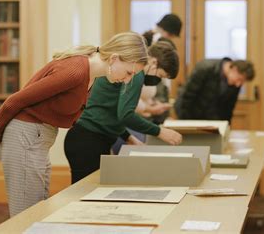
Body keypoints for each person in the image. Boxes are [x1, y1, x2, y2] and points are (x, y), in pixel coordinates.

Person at [0, 32, 149, 217]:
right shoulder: (76, 71)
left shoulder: (90, 74)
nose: (128, 80)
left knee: (37, 212)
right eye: (129, 73)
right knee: (25, 215)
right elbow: (15, 101)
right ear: (114, 58)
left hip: (38, 138)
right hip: (25, 136)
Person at [64, 41, 182, 184]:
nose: (159, 80)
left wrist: (129, 138)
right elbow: (126, 115)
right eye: (161, 75)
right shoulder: (137, 74)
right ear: (154, 62)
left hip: (86, 139)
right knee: (83, 197)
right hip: (88, 141)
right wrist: (159, 132)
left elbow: (112, 112)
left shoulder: (130, 71)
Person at [174, 57, 255, 123]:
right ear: (234, 69)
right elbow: (187, 96)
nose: (238, 84)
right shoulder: (205, 68)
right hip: (190, 115)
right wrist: (186, 123)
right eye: (239, 79)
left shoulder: (235, 83)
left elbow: (228, 109)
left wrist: (226, 129)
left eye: (242, 82)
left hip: (211, 120)